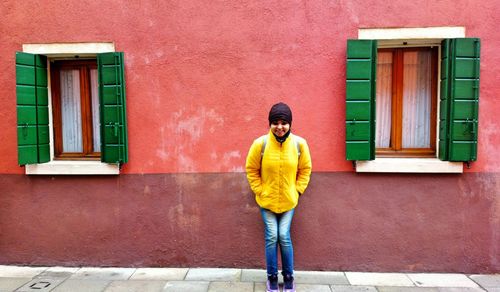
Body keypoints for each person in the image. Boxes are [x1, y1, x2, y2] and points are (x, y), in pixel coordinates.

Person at [245, 102, 312, 292]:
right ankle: (272, 278)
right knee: (272, 236)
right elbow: (251, 169)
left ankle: (289, 277)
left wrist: (298, 190)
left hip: (289, 201)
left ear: (290, 124)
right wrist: (260, 190)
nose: (279, 127)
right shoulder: (261, 144)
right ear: (270, 124)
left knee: (283, 235)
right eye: (275, 122)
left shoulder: (300, 144)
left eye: (284, 122)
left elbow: (305, 169)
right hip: (266, 201)